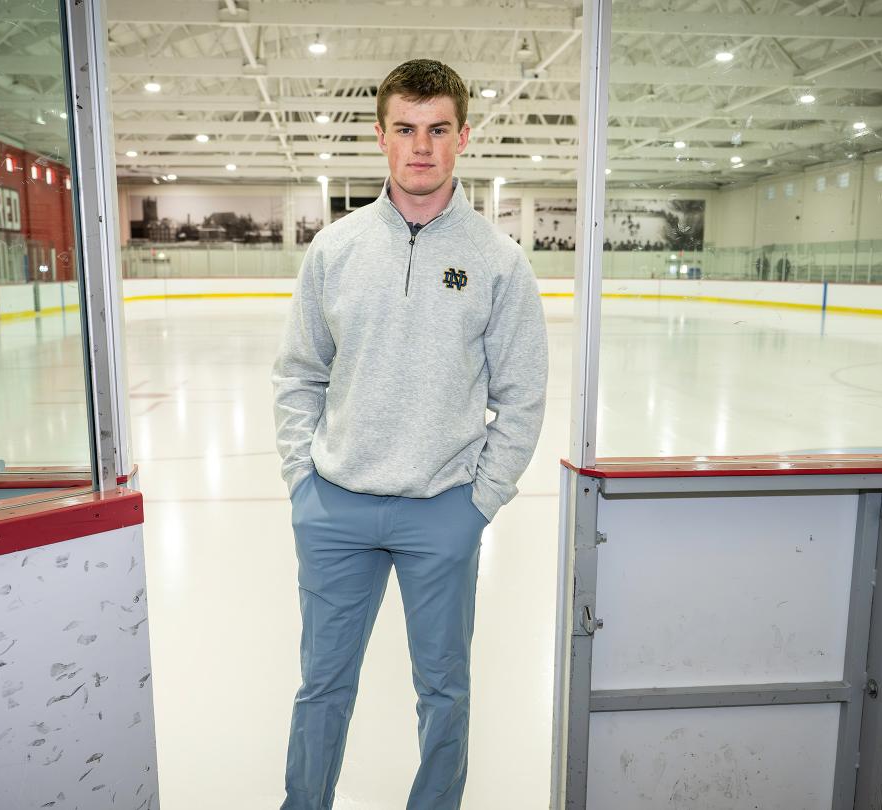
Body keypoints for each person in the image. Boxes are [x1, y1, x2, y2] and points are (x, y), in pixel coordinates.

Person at [271, 59, 548, 810]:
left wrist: (478, 504)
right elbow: (298, 372)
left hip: (442, 512)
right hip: (335, 510)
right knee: (322, 685)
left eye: (436, 130)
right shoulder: (335, 250)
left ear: (463, 136)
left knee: (444, 692)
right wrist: (303, 482)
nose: (420, 146)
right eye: (404, 129)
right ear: (380, 136)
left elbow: (522, 397)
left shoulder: (499, 262)